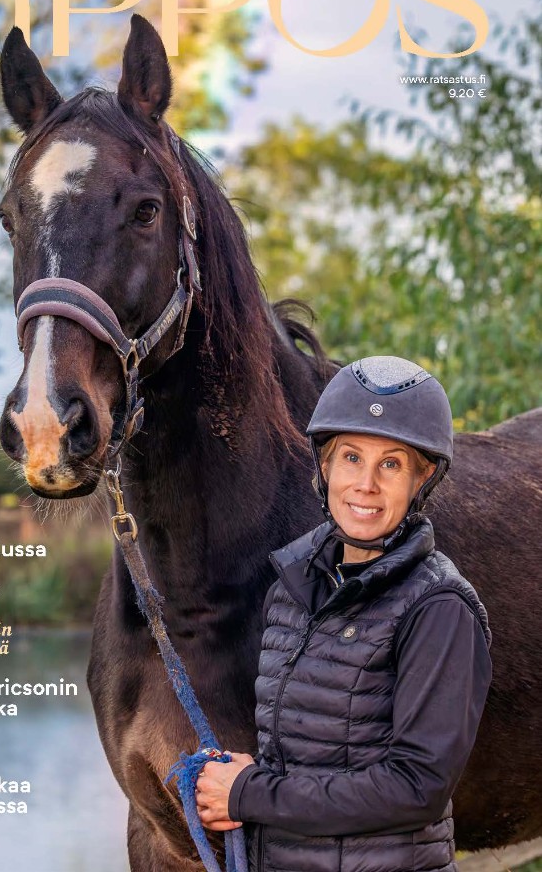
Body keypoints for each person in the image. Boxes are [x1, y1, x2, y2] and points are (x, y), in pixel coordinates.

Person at [195, 356, 492, 872]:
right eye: (351, 457)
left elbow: (416, 788)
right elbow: (310, 755)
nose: (366, 484)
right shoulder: (290, 592)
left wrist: (250, 794)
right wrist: (242, 779)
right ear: (325, 466)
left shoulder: (440, 609)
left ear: (421, 479)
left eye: (391, 464)